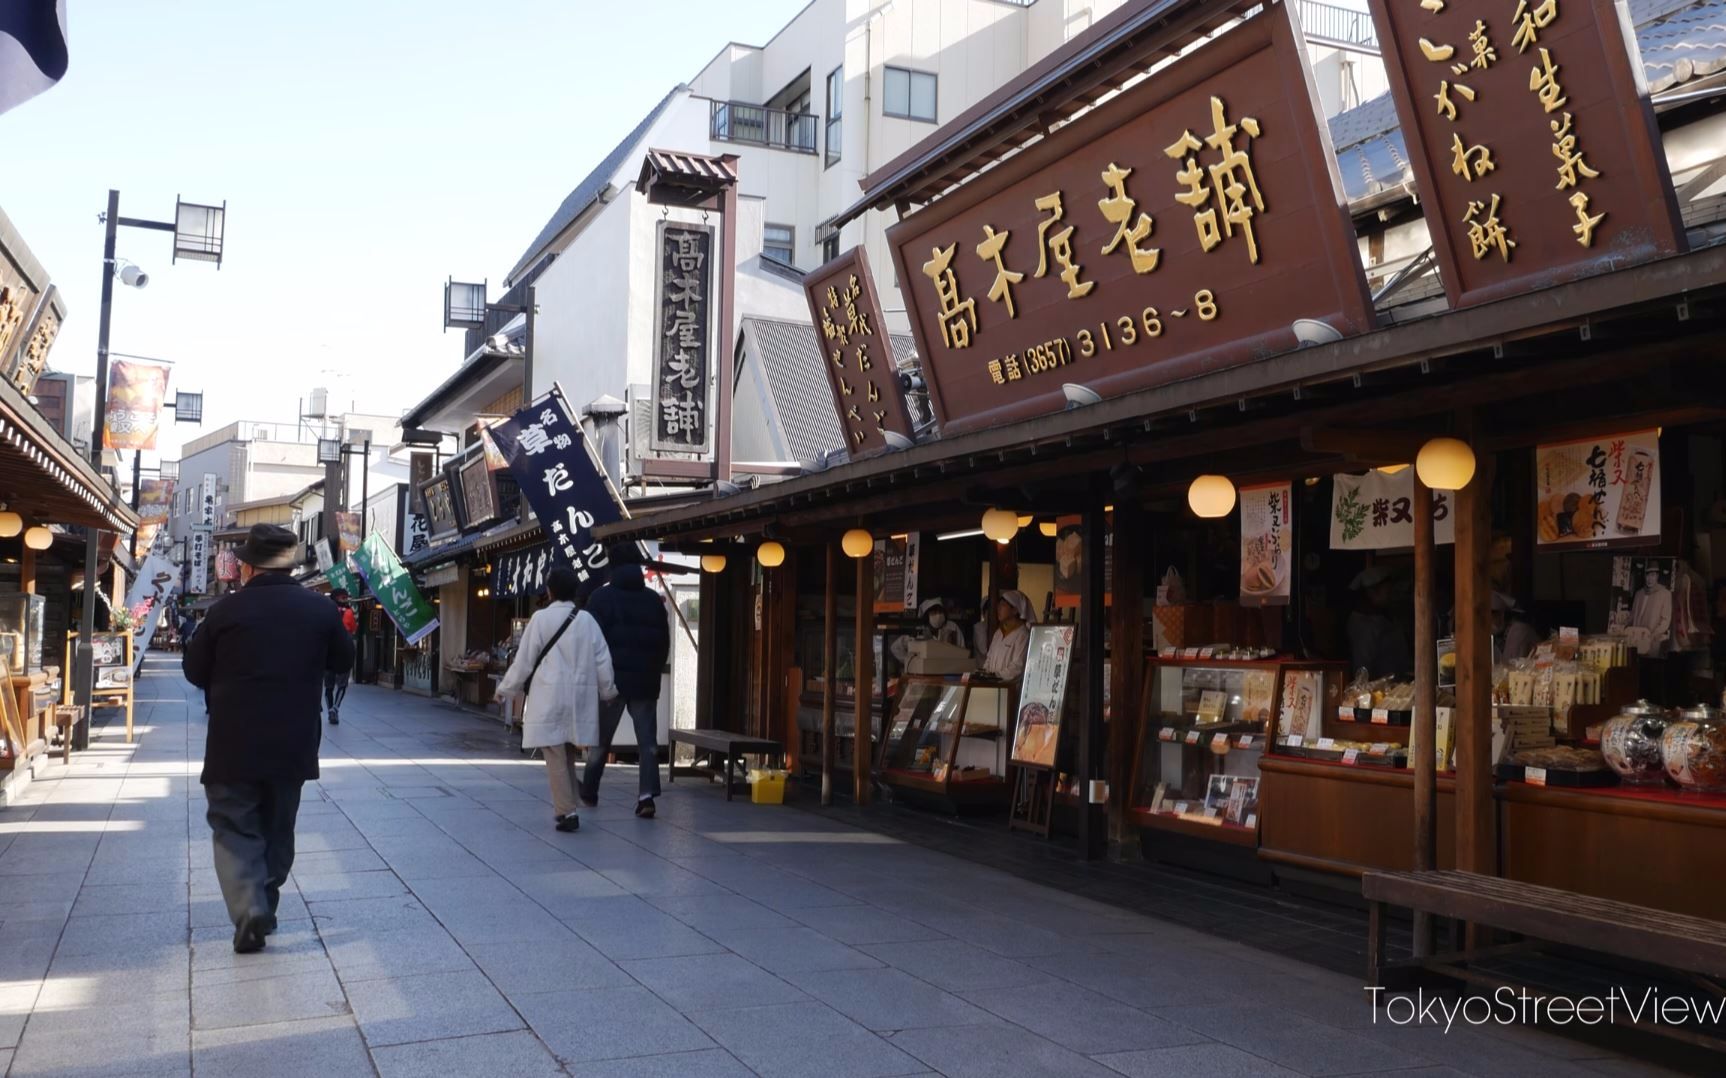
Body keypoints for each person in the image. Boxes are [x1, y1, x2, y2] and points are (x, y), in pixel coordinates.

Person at [183, 524, 354, 954]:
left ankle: (249, 907)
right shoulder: (320, 610)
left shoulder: (225, 612)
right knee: (279, 826)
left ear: (247, 567)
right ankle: (264, 904)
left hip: (232, 742)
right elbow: (343, 660)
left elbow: (193, 670)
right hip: (293, 739)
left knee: (234, 826)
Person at [497, 566, 617, 833]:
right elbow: (602, 659)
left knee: (554, 754)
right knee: (566, 751)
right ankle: (572, 800)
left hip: (549, 696)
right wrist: (608, 691)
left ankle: (567, 811)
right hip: (578, 698)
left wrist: (506, 689)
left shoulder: (540, 619)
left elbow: (524, 661)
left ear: (549, 591)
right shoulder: (587, 621)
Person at [580, 559, 671, 818]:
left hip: (611, 680)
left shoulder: (601, 598)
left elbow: (592, 642)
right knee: (647, 743)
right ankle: (646, 798)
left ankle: (589, 790)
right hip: (644, 681)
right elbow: (663, 642)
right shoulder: (653, 600)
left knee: (600, 740)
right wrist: (653, 670)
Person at [1347, 566, 1412, 680]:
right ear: (1372, 592)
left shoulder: (1384, 617)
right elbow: (1362, 670)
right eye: (1387, 591)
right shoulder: (1363, 626)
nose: (1390, 595)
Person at [324, 590, 359, 724]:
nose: (345, 599)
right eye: (343, 597)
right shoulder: (349, 612)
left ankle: (330, 710)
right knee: (342, 684)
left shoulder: (326, 611)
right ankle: (335, 708)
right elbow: (353, 629)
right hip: (344, 650)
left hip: (328, 650)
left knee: (328, 686)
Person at [982, 589, 1034, 680]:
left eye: (1003, 605)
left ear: (1015, 610)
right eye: (999, 605)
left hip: (1009, 688)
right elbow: (989, 658)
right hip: (992, 685)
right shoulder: (999, 633)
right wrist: (985, 674)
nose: (998, 609)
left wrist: (996, 676)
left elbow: (1018, 666)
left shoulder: (1023, 634)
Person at [1630, 565, 1673, 658]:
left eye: (1653, 575)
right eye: (1647, 575)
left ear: (1657, 576)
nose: (1650, 579)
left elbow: (1666, 620)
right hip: (1636, 638)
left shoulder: (1665, 593)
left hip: (1653, 639)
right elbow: (1632, 615)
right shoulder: (1639, 593)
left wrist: (1653, 635)